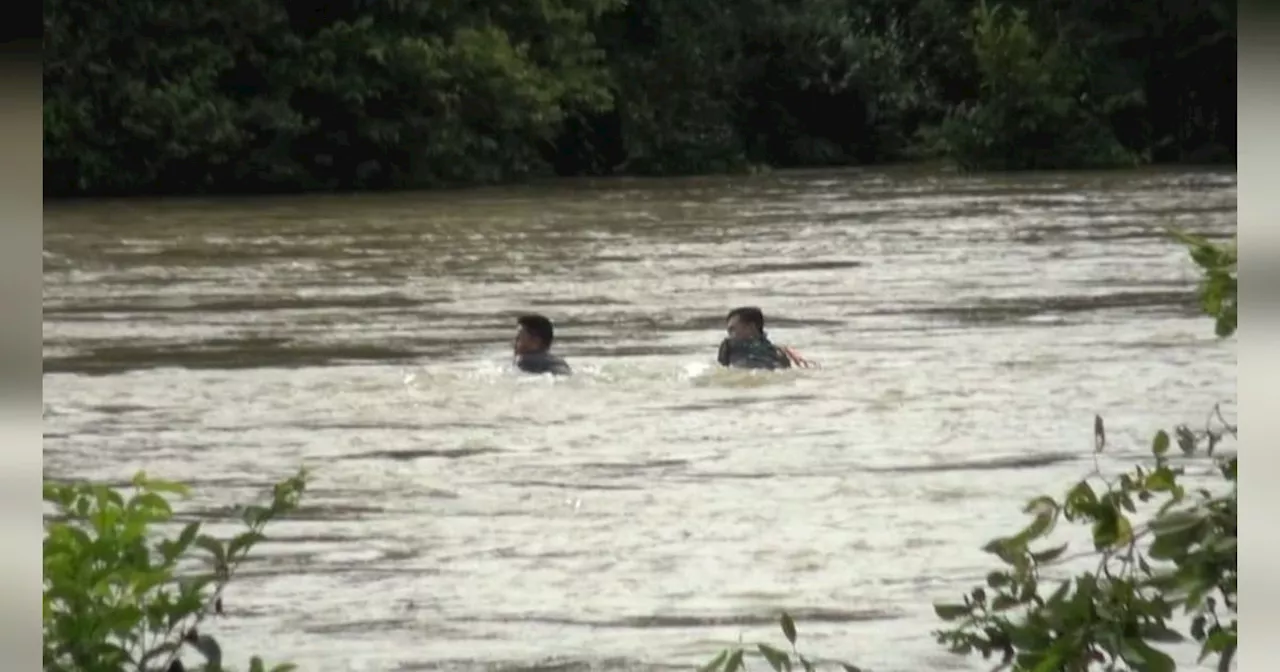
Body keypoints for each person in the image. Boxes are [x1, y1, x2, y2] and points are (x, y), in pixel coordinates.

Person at [716, 306, 814, 370]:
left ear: (751, 327)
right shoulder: (779, 353)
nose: (730, 334)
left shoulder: (729, 345)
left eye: (733, 329)